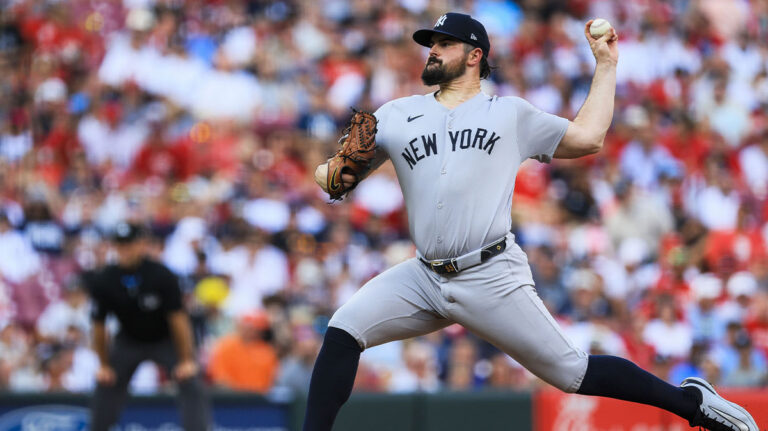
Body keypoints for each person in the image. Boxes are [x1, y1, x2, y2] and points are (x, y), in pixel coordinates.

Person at [303, 12, 759, 431]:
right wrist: (333, 174)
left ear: (474, 56)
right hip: (423, 275)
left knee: (572, 372)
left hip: (489, 274)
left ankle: (692, 404)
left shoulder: (509, 113)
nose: (433, 50)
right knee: (344, 329)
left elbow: (588, 138)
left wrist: (605, 65)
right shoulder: (396, 114)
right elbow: (335, 176)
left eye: (444, 43)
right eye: (431, 43)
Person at [87, 222, 210, 431]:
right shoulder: (105, 279)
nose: (125, 249)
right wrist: (104, 364)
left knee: (190, 380)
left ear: (141, 244)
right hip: (129, 339)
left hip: (165, 338)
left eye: (129, 244)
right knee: (106, 382)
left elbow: (178, 320)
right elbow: (98, 324)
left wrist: (186, 359)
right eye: (120, 245)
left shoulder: (161, 275)